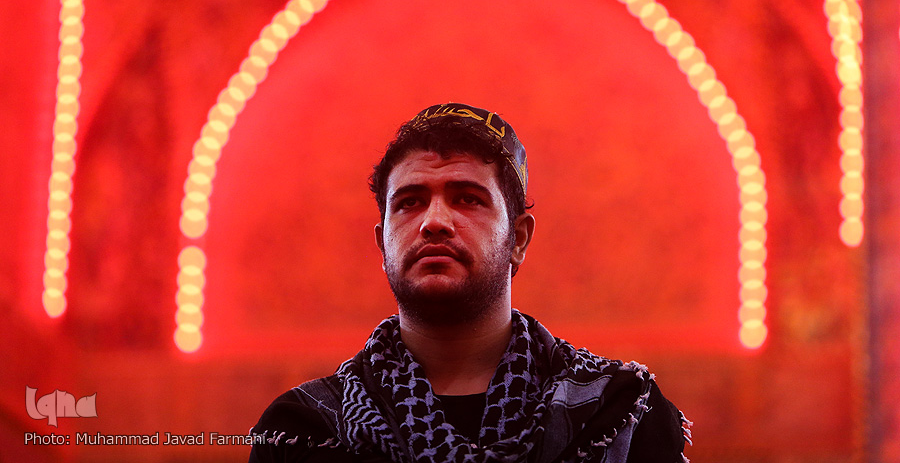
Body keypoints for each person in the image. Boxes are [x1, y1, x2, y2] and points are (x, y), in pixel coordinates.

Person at [249, 103, 691, 463]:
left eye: (467, 198)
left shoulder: (619, 412)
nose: (434, 221)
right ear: (382, 244)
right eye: (409, 202)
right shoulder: (303, 430)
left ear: (518, 239)